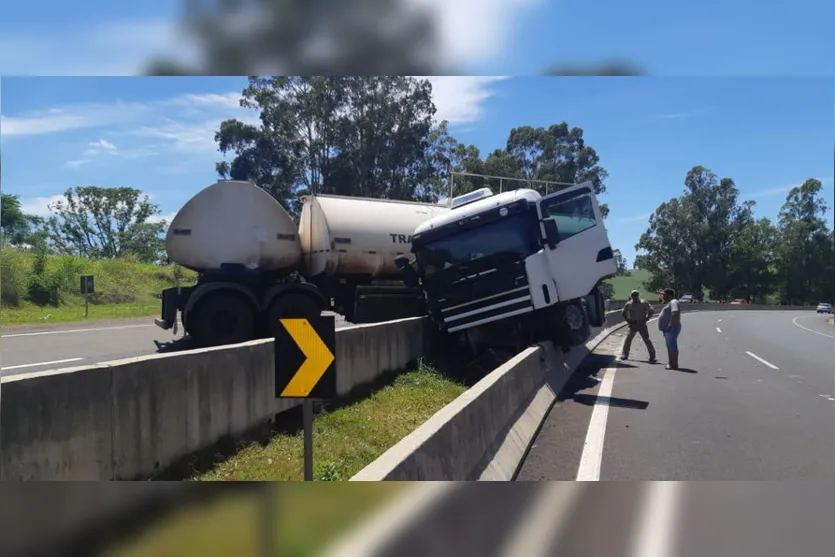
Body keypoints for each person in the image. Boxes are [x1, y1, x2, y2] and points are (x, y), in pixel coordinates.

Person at [619, 290, 657, 363]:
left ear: (638, 295)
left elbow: (651, 310)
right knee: (628, 339)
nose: (635, 297)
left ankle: (652, 356)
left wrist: (647, 318)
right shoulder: (629, 304)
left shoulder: (643, 303)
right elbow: (623, 313)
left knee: (647, 340)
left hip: (642, 324)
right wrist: (628, 320)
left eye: (636, 295)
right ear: (631, 296)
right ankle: (625, 354)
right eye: (633, 295)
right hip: (633, 324)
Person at [657, 288, 682, 370]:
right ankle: (671, 363)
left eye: (664, 294)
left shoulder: (673, 302)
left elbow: (675, 313)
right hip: (669, 328)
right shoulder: (671, 303)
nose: (663, 296)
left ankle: (674, 364)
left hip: (672, 328)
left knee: (672, 346)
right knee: (670, 346)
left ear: (669, 295)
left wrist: (670, 325)